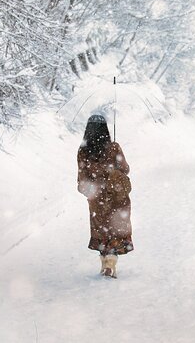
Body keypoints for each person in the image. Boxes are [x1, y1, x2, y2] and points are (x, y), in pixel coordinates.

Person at [76, 114, 133, 278]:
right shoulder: (114, 147)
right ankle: (110, 262)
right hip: (116, 196)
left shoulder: (83, 151)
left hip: (96, 199)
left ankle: (105, 264)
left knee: (101, 231)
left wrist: (91, 191)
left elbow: (81, 180)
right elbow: (126, 169)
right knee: (115, 230)